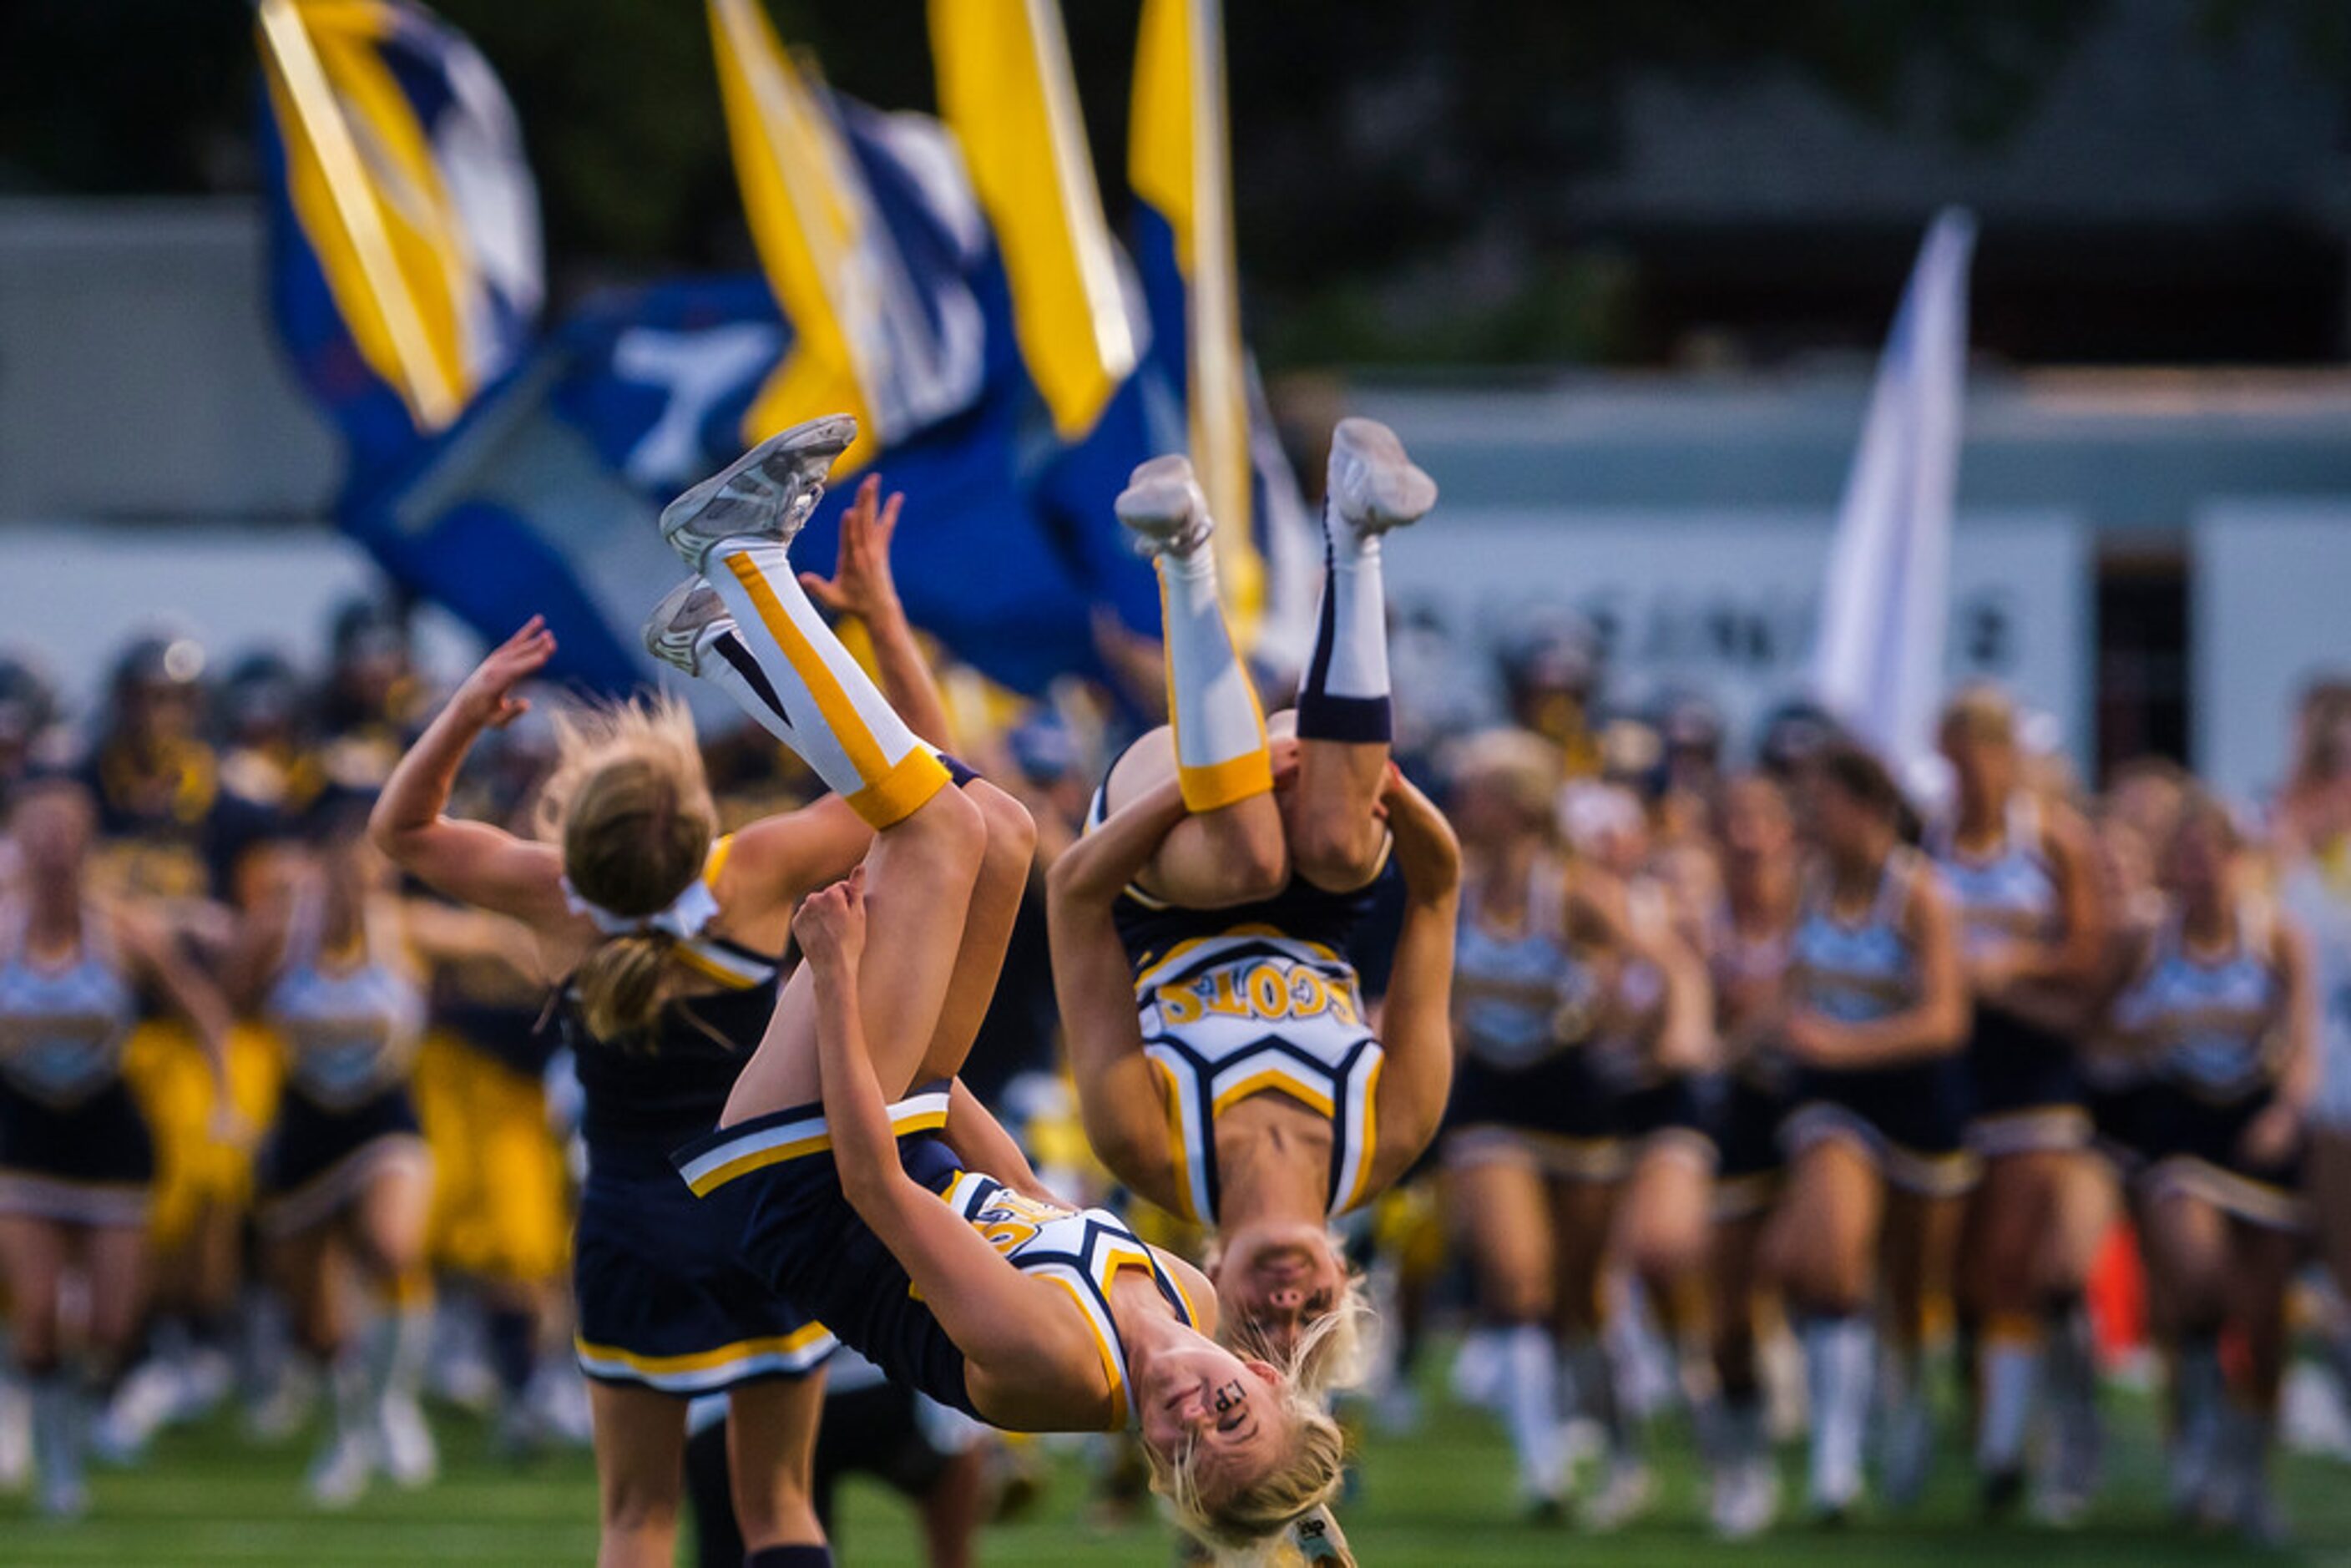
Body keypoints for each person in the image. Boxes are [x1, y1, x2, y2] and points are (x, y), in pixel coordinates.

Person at [652, 415, 1347, 1558]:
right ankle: (727, 638)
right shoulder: (1187, 1296)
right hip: (886, 1133)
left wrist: (838, 982)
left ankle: (738, 557)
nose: (1186, 1415)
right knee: (1000, 829)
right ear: (1265, 1373)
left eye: (1180, 1451)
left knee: (926, 835)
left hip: (807, 1178)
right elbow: (1025, 1194)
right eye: (1227, 1410)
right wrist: (931, 1067)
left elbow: (878, 1190)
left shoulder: (1063, 1366)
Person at [372, 453, 948, 1568]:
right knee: (780, 1504)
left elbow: (402, 832)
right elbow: (925, 785)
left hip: (629, 1230)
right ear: (694, 815)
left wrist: (459, 713)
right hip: (759, 1218)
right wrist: (873, 627)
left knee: (635, 1518)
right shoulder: (753, 871)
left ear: (576, 827)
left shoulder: (557, 902)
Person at [1049, 423, 1459, 1391]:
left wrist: (1170, 803)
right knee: (1329, 840)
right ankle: (1355, 530)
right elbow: (1438, 892)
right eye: (1313, 1317)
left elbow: (1072, 899)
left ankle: (1182, 555)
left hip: (1166, 871)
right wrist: (1388, 796)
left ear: (1209, 1282)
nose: (1285, 1301)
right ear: (1347, 1280)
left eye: (1257, 1323)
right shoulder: (1389, 1132)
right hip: (1323, 886)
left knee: (1242, 854)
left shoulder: (1147, 1147)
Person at [1436, 730, 1692, 1522]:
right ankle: (1543, 1471)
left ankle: (1620, 1451)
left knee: (1585, 1298)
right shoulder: (1452, 885)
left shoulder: (1573, 891)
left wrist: (1630, 1025)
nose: (1460, 803)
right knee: (1515, 1278)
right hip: (1490, 1099)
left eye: (1475, 790)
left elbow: (1662, 971)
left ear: (1517, 807)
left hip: (1575, 1099)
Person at [0, 774, 235, 1518]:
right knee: (34, 1313)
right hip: (23, 1136)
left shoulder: (123, 930)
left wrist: (225, 1099)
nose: (51, 849)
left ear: (88, 843)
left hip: (109, 1139)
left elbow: (203, 1012)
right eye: (37, 832)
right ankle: (56, 1462)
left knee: (110, 1327)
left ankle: (96, 1397)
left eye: (65, 832)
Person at [1762, 741, 1970, 1521]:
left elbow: (1948, 1019)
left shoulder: (1922, 895)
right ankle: (1835, 1465)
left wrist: (1843, 1042)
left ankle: (1909, 1400)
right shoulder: (1806, 888)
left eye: (1823, 803)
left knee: (1914, 1290)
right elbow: (1789, 993)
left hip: (1919, 1103)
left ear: (1869, 808)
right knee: (1834, 1262)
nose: (1810, 818)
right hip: (1832, 1103)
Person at [2106, 792, 2315, 1540]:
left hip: (2256, 1130)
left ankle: (2247, 1475)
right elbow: (2100, 1030)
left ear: (2240, 860)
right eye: (2187, 855)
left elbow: (2304, 1046)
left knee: (2263, 1323)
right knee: (2197, 1279)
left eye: (2213, 854)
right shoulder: (2146, 937)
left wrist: (2286, 1113)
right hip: (2176, 1128)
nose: (2200, 870)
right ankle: (2194, 1445)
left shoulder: (2277, 937)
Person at [228, 797, 439, 1505]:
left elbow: (498, 943)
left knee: (391, 1245)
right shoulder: (283, 929)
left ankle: (393, 1405)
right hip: (303, 1121)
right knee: (310, 1308)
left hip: (384, 1114)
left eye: (370, 869)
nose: (358, 883)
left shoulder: (403, 928)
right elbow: (229, 995)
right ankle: (346, 1428)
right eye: (344, 868)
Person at [1930, 687, 2107, 1510]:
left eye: (1978, 752)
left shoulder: (2051, 844)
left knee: (2010, 1256)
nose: (1966, 771)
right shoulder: (1924, 837)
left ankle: (2008, 1451)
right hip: (1943, 1066)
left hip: (2029, 1067)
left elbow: (2085, 955)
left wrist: (2004, 970)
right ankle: (1994, 1419)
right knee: (1961, 1268)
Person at [1701, 772, 1802, 1539]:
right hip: (1735, 1116)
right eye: (1732, 818)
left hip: (1816, 1110)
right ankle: (1744, 1467)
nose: (1746, 834)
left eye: (1760, 818)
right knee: (1725, 1308)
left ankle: (1839, 1448)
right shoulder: (1697, 918)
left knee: (1817, 1261)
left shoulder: (1819, 910)